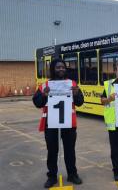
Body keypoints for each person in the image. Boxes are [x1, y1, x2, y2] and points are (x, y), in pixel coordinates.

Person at [32, 58, 84, 188]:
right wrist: (44, 95)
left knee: (70, 151)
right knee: (52, 151)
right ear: (53, 69)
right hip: (51, 124)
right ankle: (52, 177)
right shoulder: (46, 85)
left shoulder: (72, 84)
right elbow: (37, 102)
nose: (61, 69)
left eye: (63, 67)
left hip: (69, 124)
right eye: (58, 67)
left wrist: (77, 94)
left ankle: (72, 174)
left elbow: (80, 102)